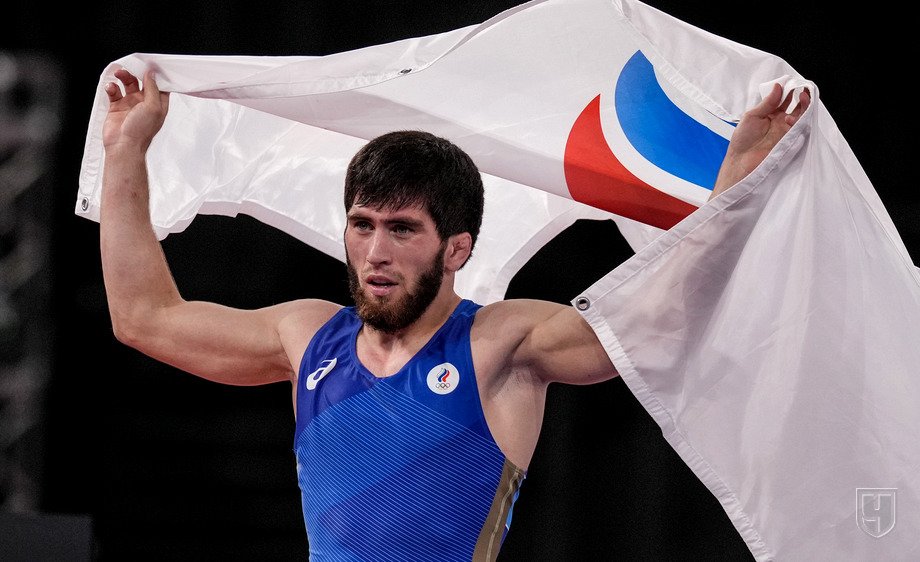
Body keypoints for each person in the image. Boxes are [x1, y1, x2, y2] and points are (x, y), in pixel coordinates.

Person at [99, 68, 809, 561]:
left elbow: (661, 319)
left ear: (457, 249)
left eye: (402, 229)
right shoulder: (306, 336)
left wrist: (737, 181)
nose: (376, 252)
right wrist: (125, 152)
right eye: (362, 225)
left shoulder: (501, 344)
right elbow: (145, 316)